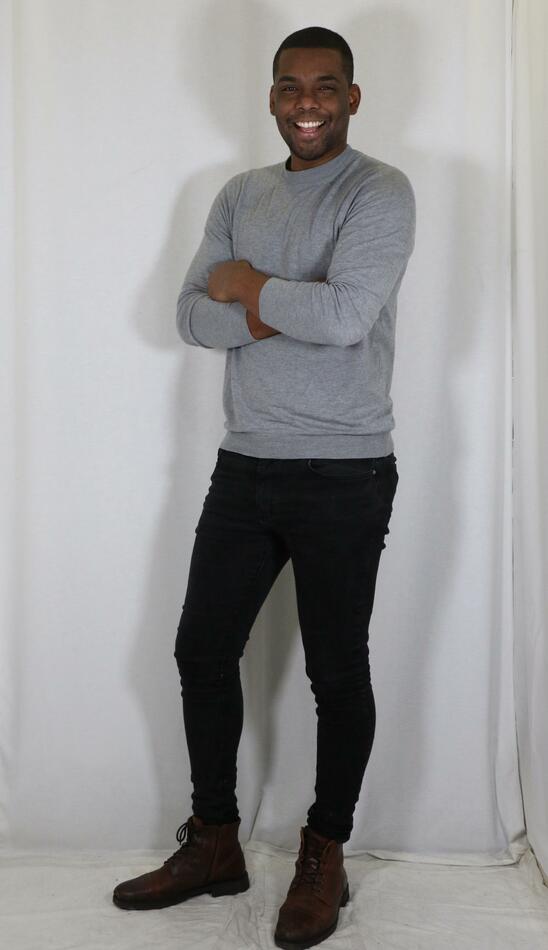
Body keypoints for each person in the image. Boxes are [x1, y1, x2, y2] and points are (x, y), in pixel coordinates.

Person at [113, 25, 416, 950]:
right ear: (272, 97)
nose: (307, 103)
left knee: (336, 673)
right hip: (244, 465)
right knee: (201, 652)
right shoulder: (240, 194)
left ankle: (325, 853)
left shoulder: (379, 190)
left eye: (325, 86)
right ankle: (216, 842)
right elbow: (188, 317)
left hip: (346, 470)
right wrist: (282, 301)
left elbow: (349, 314)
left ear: (352, 98)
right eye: (290, 86)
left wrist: (247, 287)